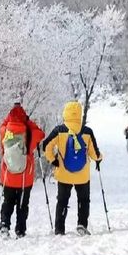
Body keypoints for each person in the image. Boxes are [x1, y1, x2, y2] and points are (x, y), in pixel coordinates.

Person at [43, 101, 103, 236]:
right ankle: (81, 224)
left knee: (62, 200)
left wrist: (54, 160)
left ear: (65, 113)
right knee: (83, 200)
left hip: (64, 174)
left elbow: (46, 146)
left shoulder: (59, 130)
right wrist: (100, 158)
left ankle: (59, 229)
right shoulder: (87, 131)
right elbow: (95, 154)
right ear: (80, 114)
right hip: (82, 176)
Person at [0, 101, 45, 238]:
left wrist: (9, 119)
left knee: (8, 202)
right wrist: (28, 121)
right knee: (22, 205)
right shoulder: (29, 131)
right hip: (25, 177)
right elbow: (41, 134)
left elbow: (1, 126)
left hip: (8, 175)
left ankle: (4, 225)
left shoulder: (4, 130)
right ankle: (20, 230)